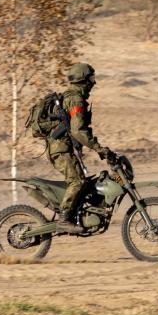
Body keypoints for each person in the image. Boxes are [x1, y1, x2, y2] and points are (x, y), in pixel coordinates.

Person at [49, 62, 114, 234]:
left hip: (64, 147)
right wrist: (99, 149)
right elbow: (78, 131)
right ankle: (64, 220)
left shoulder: (75, 97)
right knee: (77, 181)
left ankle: (78, 214)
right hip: (60, 149)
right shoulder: (75, 99)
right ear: (83, 80)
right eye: (91, 78)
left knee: (84, 183)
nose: (93, 83)